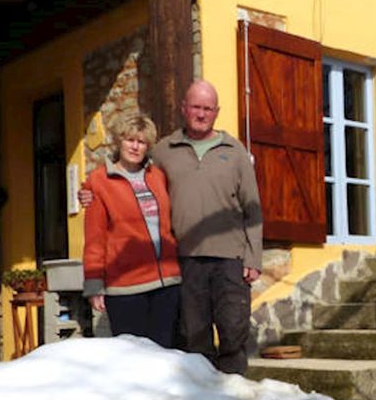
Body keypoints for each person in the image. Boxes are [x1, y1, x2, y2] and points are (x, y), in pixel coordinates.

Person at [80, 81, 263, 375]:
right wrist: (88, 190)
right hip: (183, 261)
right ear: (183, 108)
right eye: (195, 107)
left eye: (207, 108)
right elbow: (119, 189)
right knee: (193, 336)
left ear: (216, 112)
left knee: (233, 329)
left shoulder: (234, 150)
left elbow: (252, 206)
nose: (201, 114)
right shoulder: (164, 151)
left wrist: (254, 258)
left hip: (228, 258)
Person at [83, 116, 182, 347]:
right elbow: (95, 239)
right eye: (130, 140)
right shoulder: (99, 182)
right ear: (120, 141)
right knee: (133, 360)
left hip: (166, 285)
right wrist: (94, 284)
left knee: (165, 357)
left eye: (142, 142)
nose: (135, 146)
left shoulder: (158, 176)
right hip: (125, 287)